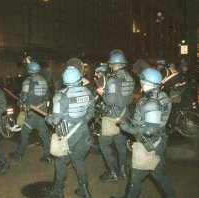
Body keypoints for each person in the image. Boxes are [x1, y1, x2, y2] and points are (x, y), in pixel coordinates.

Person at [120, 68, 175, 198]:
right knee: (158, 174)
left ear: (145, 82)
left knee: (136, 174)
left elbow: (150, 130)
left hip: (150, 143)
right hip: (159, 140)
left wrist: (128, 129)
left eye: (142, 81)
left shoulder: (151, 103)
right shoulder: (162, 95)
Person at [45, 66, 95, 198]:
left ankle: (58, 191)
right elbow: (91, 114)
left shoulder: (60, 96)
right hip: (84, 133)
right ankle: (84, 190)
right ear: (79, 78)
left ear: (64, 79)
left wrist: (48, 118)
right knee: (79, 160)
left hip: (67, 136)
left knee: (61, 162)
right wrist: (80, 120)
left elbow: (55, 121)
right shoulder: (88, 92)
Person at [96, 50, 135, 182]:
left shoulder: (113, 79)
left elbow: (109, 100)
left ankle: (112, 172)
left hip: (112, 116)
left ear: (113, 64)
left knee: (103, 144)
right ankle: (123, 171)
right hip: (124, 114)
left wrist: (101, 93)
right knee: (120, 145)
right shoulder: (129, 77)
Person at [9, 61, 51, 163]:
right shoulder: (43, 80)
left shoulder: (27, 81)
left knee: (24, 133)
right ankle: (47, 156)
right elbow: (47, 96)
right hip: (42, 111)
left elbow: (23, 98)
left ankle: (19, 154)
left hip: (32, 113)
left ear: (29, 70)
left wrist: (19, 101)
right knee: (44, 134)